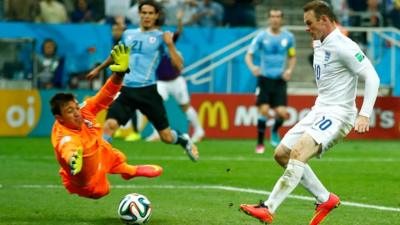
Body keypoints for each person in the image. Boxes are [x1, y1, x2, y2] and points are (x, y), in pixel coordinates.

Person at [239, 1, 380, 225]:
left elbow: (372, 77)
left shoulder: (344, 46)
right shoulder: (320, 42)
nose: (307, 28)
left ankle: (269, 207)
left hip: (338, 115)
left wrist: (364, 114)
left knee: (298, 152)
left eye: (310, 23)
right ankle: (325, 198)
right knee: (282, 154)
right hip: (319, 110)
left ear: (324, 20)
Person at [86, 0, 199, 161]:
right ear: (139, 14)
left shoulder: (161, 37)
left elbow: (179, 64)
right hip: (126, 90)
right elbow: (116, 54)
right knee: (109, 126)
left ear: (156, 16)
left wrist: (170, 45)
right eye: (144, 12)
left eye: (150, 13)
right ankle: (98, 164)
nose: (146, 16)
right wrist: (98, 69)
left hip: (148, 91)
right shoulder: (128, 34)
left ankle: (182, 139)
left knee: (166, 137)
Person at [50, 45, 163, 199]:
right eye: (70, 111)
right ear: (59, 118)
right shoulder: (64, 136)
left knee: (111, 153)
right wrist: (72, 159)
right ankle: (122, 171)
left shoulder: (83, 111)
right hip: (84, 178)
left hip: (98, 150)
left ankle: (129, 171)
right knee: (102, 191)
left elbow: (105, 95)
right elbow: (67, 148)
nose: (77, 113)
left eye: (76, 107)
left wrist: (120, 74)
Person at [146, 8, 205, 143]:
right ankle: (156, 132)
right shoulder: (148, 42)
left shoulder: (167, 38)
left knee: (185, 106)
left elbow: (179, 31)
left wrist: (179, 20)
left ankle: (200, 130)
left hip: (176, 79)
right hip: (160, 81)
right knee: (153, 105)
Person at [245, 8, 296, 154]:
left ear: (282, 19)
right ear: (269, 19)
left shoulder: (289, 37)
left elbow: (292, 56)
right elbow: (249, 54)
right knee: (264, 111)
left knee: (282, 113)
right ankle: (260, 143)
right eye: (272, 16)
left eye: (278, 16)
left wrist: (289, 70)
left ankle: (274, 131)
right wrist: (253, 67)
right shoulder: (261, 37)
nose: (275, 19)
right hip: (265, 79)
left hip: (279, 80)